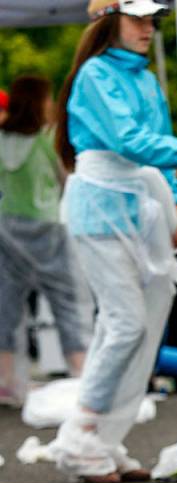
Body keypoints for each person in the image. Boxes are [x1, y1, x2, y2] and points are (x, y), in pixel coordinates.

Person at [51, 0, 177, 483]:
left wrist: (172, 203)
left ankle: (105, 440)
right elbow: (130, 140)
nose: (149, 28)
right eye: (139, 19)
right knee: (126, 323)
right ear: (110, 20)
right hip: (100, 208)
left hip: (139, 205)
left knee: (144, 324)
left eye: (153, 19)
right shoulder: (94, 75)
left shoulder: (145, 79)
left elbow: (154, 146)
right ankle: (81, 434)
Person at [0, 75, 87, 406]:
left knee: (7, 306)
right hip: (47, 228)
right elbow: (65, 179)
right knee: (68, 303)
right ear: (40, 101)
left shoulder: (1, 138)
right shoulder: (48, 138)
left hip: (7, 227)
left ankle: (7, 382)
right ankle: (81, 376)